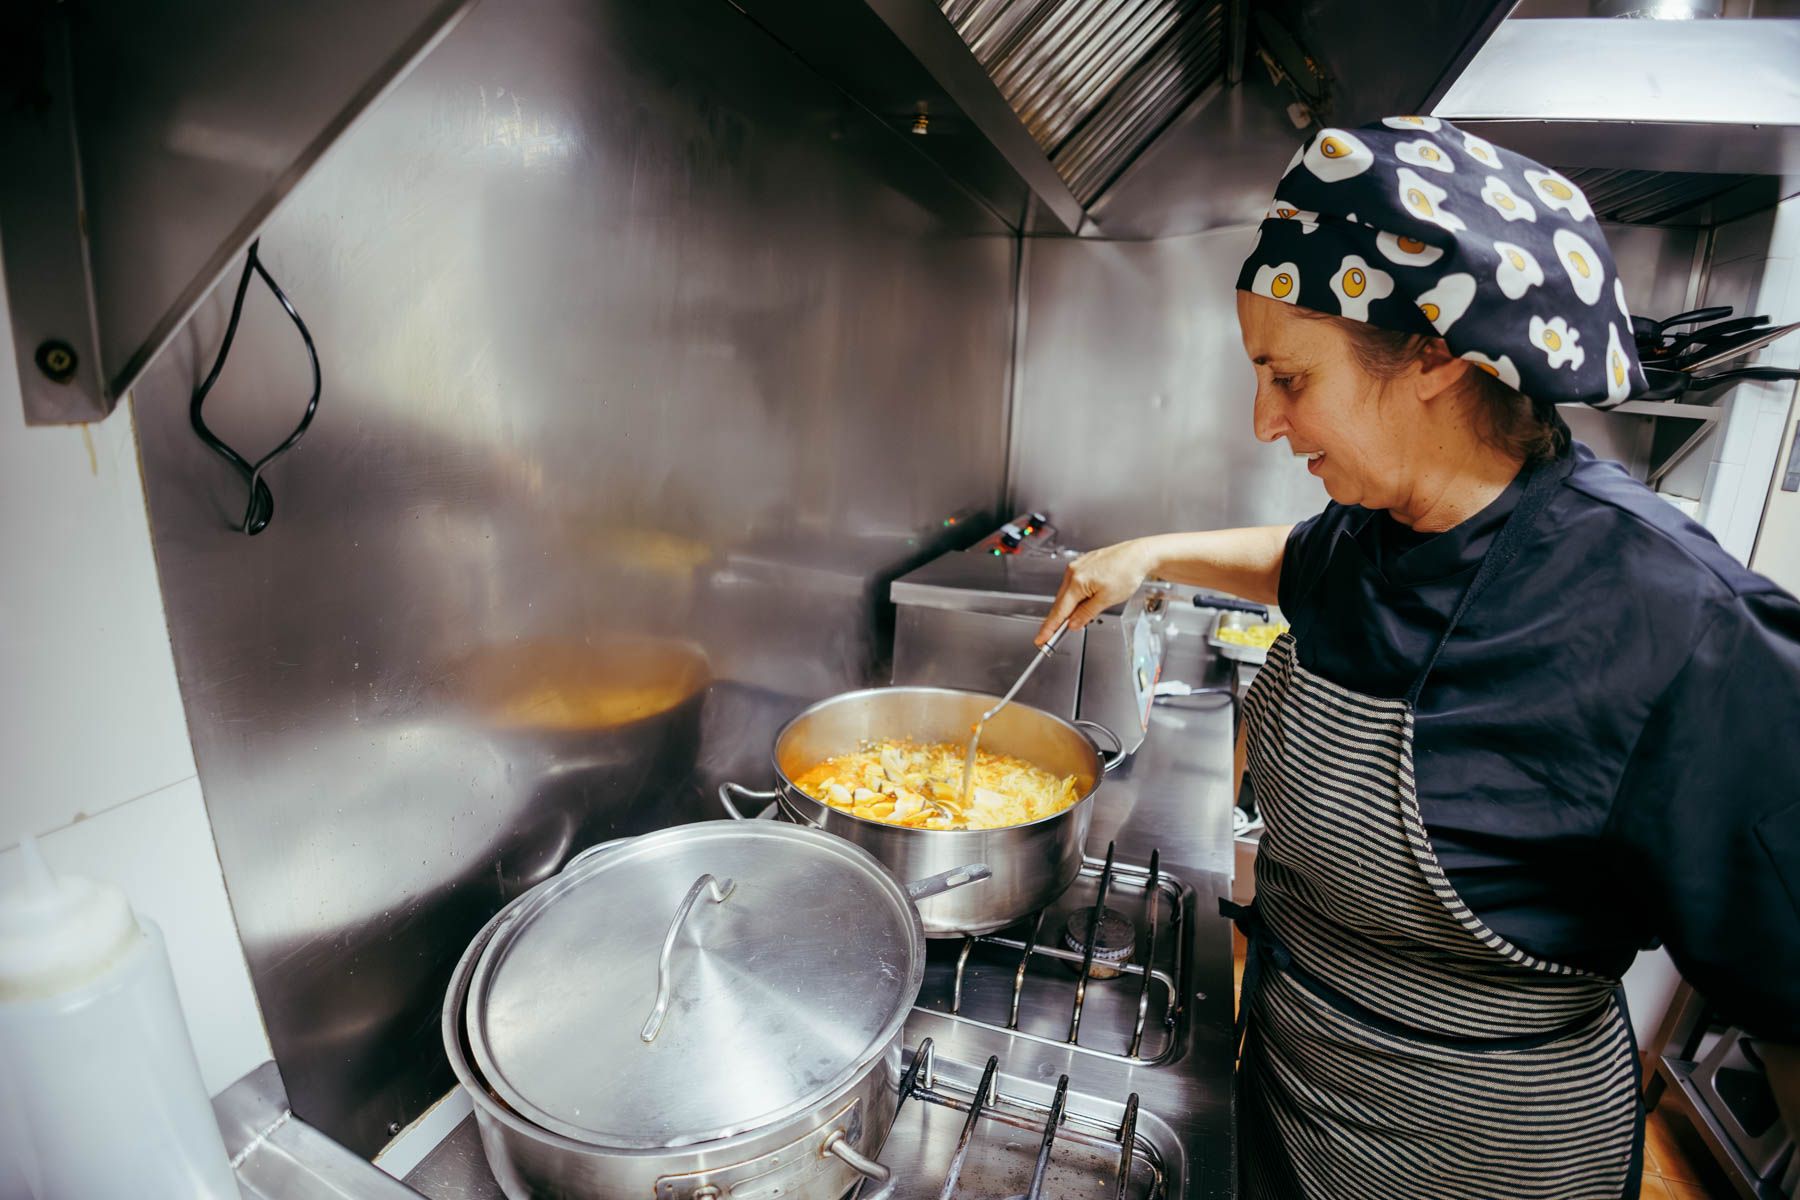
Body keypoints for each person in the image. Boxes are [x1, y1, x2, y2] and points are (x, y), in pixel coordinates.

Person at [1037, 117, 1800, 1199]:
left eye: (1288, 378)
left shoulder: (1679, 622)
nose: (1263, 420)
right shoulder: (1376, 527)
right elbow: (1290, 564)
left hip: (1479, 1160)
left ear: (1436, 356)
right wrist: (1150, 555)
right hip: (1295, 1102)